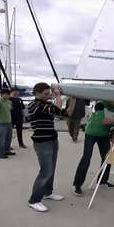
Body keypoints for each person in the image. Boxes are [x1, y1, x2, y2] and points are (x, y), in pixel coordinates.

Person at [27, 82, 73, 212]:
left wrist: (74, 99)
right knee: (45, 171)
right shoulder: (34, 105)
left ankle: (47, 192)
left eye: (49, 93)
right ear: (37, 93)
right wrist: (58, 95)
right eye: (45, 94)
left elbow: (66, 113)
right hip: (42, 143)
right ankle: (34, 200)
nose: (48, 96)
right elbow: (56, 109)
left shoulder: (46, 104)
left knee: (51, 169)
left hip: (52, 140)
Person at [72, 100, 114, 196]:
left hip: (104, 135)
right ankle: (76, 185)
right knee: (86, 158)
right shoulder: (100, 104)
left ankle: (102, 181)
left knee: (107, 158)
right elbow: (103, 121)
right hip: (91, 133)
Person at [0, 88, 15, 159]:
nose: (8, 95)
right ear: (2, 94)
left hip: (9, 123)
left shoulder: (9, 102)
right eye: (6, 94)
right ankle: (0, 154)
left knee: (9, 138)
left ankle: (7, 150)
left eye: (9, 94)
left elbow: (9, 111)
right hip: (1, 123)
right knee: (1, 139)